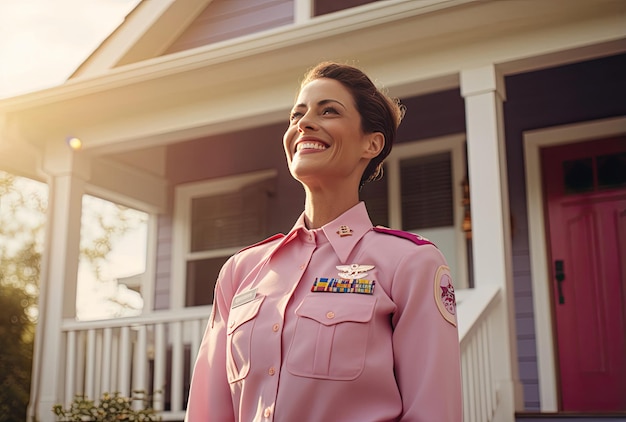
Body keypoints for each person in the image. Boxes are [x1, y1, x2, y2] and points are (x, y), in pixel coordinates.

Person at [185, 62, 462, 421]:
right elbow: (208, 410)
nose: (303, 123)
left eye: (328, 110)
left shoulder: (411, 263)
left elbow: (433, 412)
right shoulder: (240, 271)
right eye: (296, 114)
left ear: (371, 143)